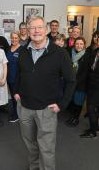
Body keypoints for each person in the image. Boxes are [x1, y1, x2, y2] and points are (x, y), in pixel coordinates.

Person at [14, 17, 75, 170]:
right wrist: (15, 91)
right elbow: (18, 74)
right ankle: (34, 167)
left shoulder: (60, 53)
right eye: (32, 28)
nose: (36, 31)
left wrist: (62, 104)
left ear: (46, 30)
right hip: (25, 107)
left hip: (47, 109)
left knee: (46, 147)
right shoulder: (23, 51)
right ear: (28, 31)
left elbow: (71, 81)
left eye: (39, 27)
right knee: (30, 144)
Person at [80, 31, 99, 138]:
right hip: (91, 84)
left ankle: (93, 132)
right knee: (92, 107)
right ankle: (95, 127)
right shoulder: (95, 51)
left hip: (97, 86)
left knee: (91, 107)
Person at [65, 37, 87, 127]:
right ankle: (72, 117)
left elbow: (86, 72)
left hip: (81, 83)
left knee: (79, 102)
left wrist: (76, 81)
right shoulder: (71, 53)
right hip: (71, 82)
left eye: (81, 44)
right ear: (74, 44)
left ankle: (76, 119)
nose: (79, 46)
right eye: (77, 44)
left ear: (84, 45)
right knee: (73, 101)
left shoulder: (87, 55)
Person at [6, 31, 23, 122]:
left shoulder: (22, 49)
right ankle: (15, 112)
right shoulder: (8, 48)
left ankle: (17, 115)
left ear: (19, 38)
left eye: (16, 38)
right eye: (12, 38)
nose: (14, 39)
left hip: (18, 78)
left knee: (18, 97)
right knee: (13, 96)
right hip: (9, 77)